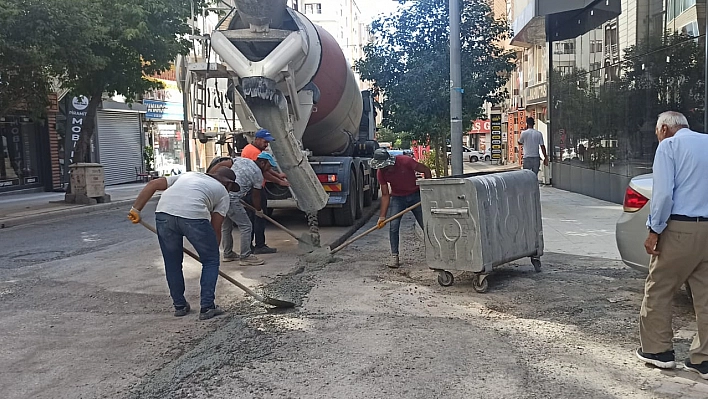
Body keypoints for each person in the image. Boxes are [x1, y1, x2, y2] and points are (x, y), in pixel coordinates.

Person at [636, 111, 708, 378]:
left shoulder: (669, 146)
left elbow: (664, 193)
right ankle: (704, 359)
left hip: (680, 229)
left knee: (660, 288)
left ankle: (658, 351)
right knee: (706, 296)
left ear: (664, 128)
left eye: (657, 131)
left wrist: (654, 230)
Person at [127, 168, 239, 320]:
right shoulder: (223, 193)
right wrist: (212, 253)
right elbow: (216, 227)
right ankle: (207, 307)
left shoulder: (188, 175)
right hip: (193, 217)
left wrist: (136, 209)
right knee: (211, 261)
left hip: (164, 214)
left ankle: (179, 306)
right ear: (229, 184)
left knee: (172, 262)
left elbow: (153, 184)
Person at [370, 148, 432, 268]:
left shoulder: (405, 161)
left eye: (385, 167)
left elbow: (425, 169)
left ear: (390, 162)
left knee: (426, 225)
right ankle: (395, 256)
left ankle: (436, 253)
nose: (383, 169)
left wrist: (427, 192)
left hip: (415, 195)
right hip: (398, 198)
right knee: (393, 226)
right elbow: (385, 195)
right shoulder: (381, 172)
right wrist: (382, 217)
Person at [210, 155, 274, 266]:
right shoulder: (258, 174)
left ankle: (228, 253)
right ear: (263, 163)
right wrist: (258, 210)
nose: (270, 169)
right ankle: (245, 256)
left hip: (223, 196)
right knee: (246, 226)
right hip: (232, 200)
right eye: (269, 166)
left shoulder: (243, 160)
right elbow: (256, 196)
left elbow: (225, 163)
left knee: (226, 227)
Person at [241, 128, 290, 254]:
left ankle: (253, 245)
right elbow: (262, 171)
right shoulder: (253, 152)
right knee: (257, 216)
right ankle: (258, 246)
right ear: (257, 139)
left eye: (267, 142)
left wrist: (278, 176)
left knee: (255, 218)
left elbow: (266, 168)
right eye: (264, 141)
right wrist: (279, 181)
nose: (266, 144)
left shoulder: (255, 151)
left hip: (255, 187)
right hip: (253, 190)